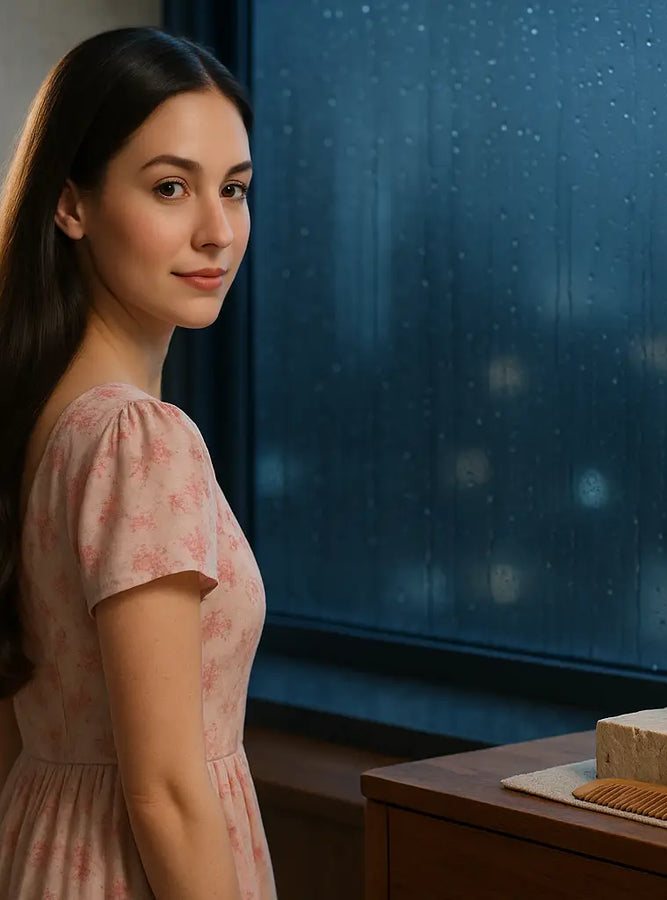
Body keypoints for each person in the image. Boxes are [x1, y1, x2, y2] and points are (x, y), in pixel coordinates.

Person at [0, 26, 276, 898]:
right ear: (71, 204)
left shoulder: (36, 421)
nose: (217, 231)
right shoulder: (139, 442)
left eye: (234, 189)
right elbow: (165, 792)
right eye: (170, 187)